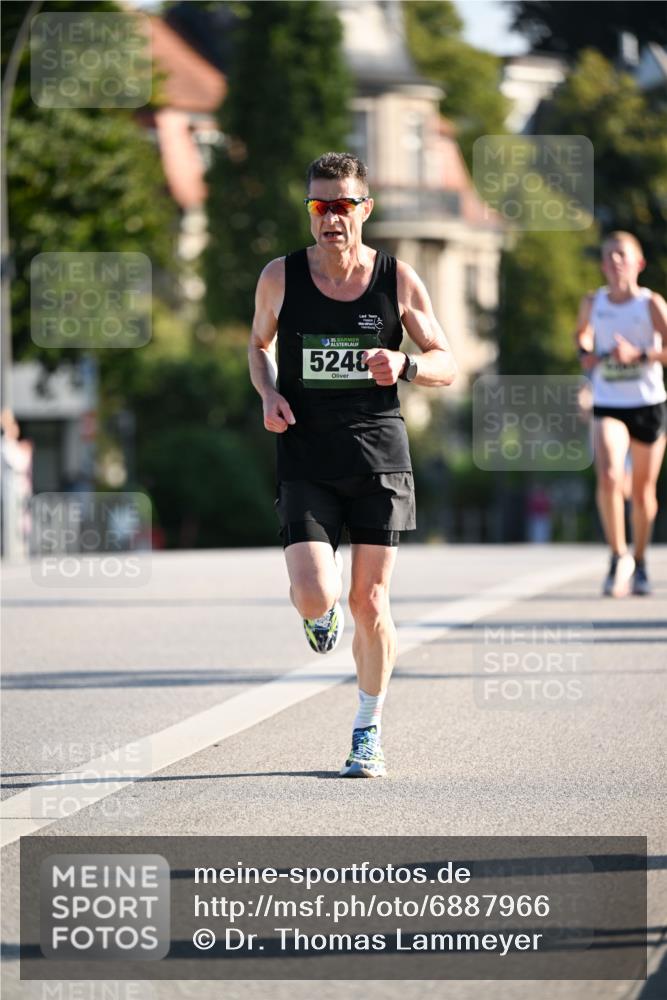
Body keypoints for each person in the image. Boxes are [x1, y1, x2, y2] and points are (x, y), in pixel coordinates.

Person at [248, 152, 457, 777]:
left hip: (378, 454)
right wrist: (268, 393)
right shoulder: (280, 277)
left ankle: (367, 729)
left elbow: (446, 357)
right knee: (315, 594)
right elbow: (259, 345)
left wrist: (410, 366)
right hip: (306, 452)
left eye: (342, 205)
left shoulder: (397, 278)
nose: (330, 218)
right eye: (320, 206)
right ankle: (322, 613)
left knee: (371, 600)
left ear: (364, 209)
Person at [574, 231, 667, 596]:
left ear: (638, 264)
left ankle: (641, 560)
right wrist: (587, 353)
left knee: (643, 494)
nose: (614, 262)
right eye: (609, 255)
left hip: (647, 403)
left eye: (622, 255)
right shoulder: (592, 301)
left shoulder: (651, 305)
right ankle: (618, 555)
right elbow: (582, 335)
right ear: (602, 264)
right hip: (609, 401)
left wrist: (640, 355)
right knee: (611, 474)